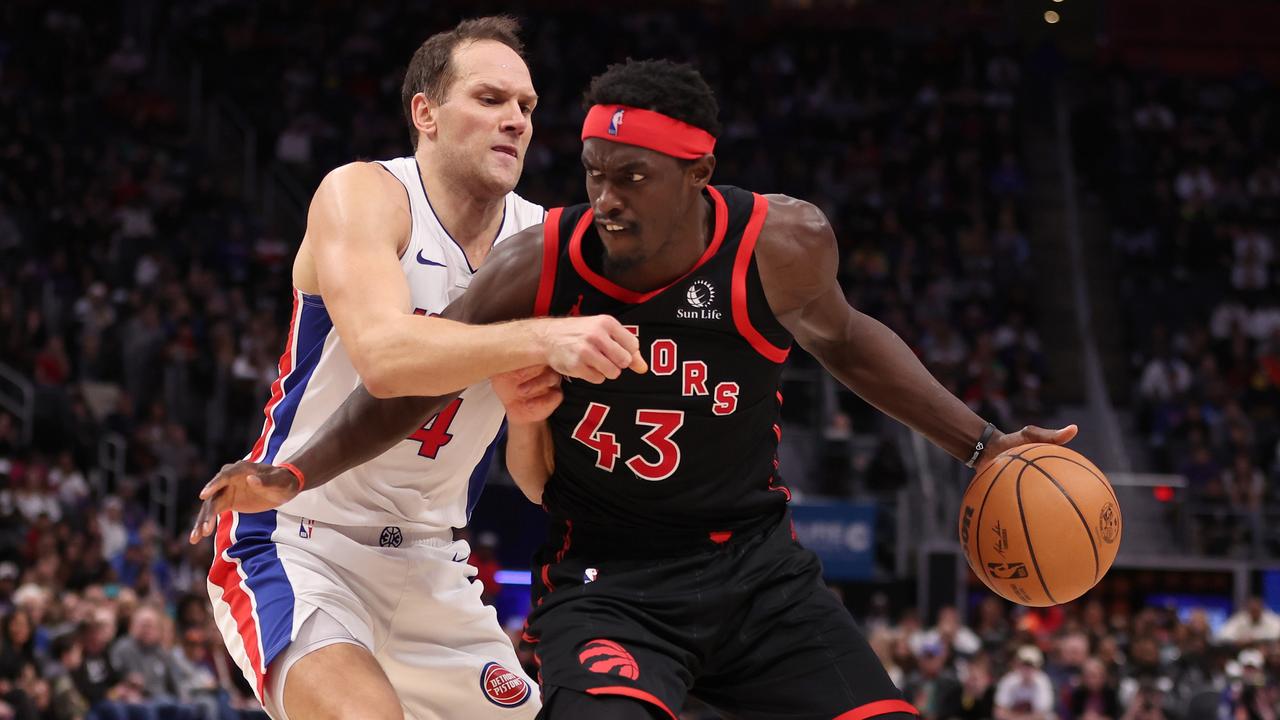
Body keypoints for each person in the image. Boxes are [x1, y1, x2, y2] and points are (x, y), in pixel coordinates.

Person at [196, 59, 1076, 719]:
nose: (607, 198)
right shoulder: (535, 258)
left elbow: (850, 342)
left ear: (697, 177)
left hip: (753, 567)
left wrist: (984, 443)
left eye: (632, 177)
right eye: (594, 172)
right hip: (603, 573)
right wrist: (297, 472)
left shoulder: (780, 242)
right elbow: (399, 381)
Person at [188, 16, 645, 720]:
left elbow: (533, 480)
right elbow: (386, 359)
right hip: (299, 536)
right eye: (490, 100)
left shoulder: (542, 243)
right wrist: (542, 336)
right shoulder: (366, 195)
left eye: (526, 107)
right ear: (424, 113)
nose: (516, 121)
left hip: (434, 557)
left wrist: (527, 417)